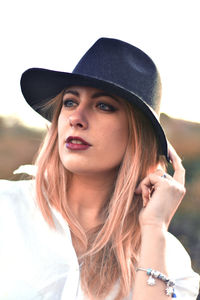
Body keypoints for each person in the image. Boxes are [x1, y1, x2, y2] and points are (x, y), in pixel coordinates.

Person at [0, 38, 199, 300]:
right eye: (70, 102)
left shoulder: (165, 255)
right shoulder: (6, 206)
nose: (76, 118)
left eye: (103, 106)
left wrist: (153, 227)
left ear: (138, 136)